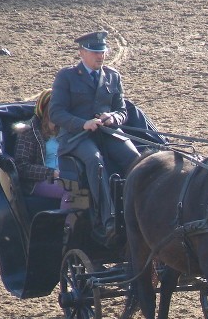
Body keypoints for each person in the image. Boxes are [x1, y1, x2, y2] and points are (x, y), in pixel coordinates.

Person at [49, 30, 139, 245]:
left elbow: (122, 110)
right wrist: (83, 123)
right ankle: (107, 219)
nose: (101, 56)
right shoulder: (67, 76)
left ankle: (138, 210)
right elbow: (56, 113)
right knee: (95, 161)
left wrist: (112, 118)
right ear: (81, 53)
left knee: (135, 159)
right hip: (76, 138)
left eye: (103, 52)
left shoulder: (113, 76)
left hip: (108, 133)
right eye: (95, 52)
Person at [13, 89, 69, 208]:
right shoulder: (29, 132)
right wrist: (51, 173)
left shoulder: (66, 130)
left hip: (66, 176)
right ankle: (67, 226)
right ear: (47, 109)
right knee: (72, 191)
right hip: (39, 181)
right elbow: (21, 166)